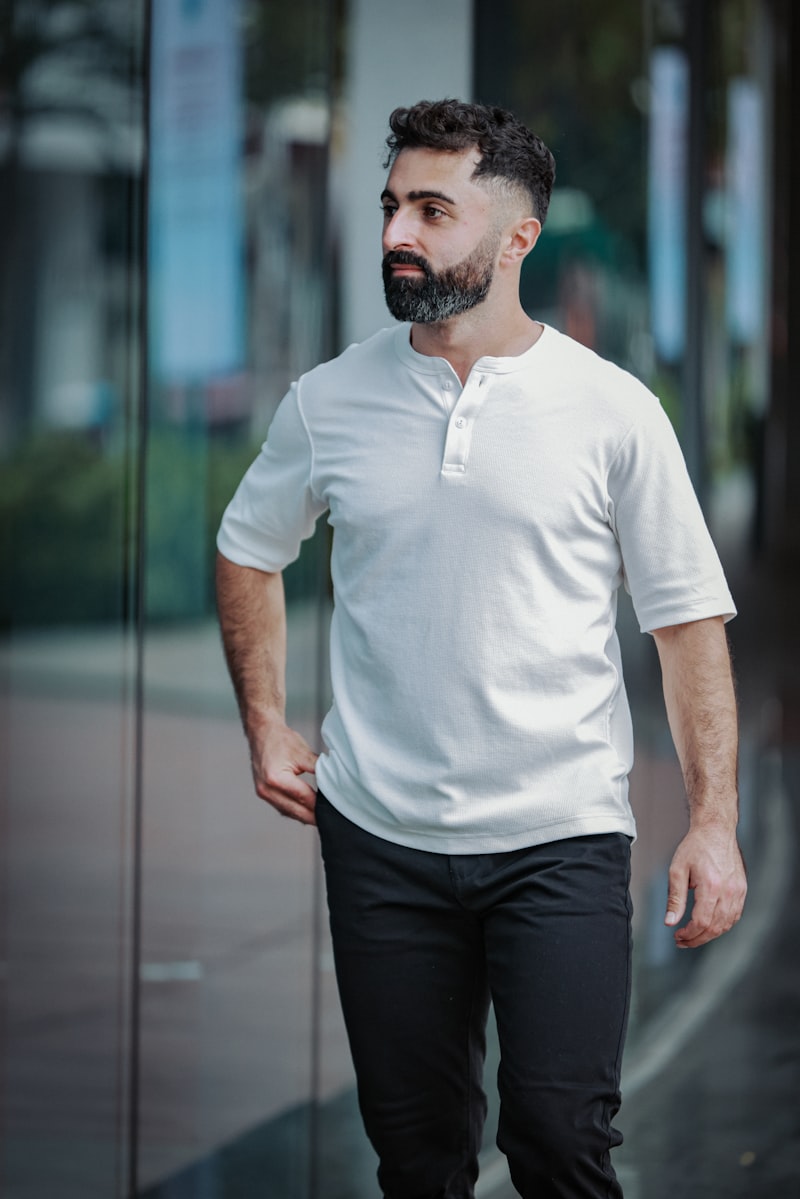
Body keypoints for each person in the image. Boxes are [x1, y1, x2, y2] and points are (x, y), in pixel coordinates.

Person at [215, 99, 747, 1199]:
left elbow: (685, 618)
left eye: (430, 209)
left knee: (558, 1140)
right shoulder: (328, 402)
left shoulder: (612, 412)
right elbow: (246, 548)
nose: (395, 235)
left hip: (559, 835)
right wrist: (263, 720)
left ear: (515, 238)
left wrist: (711, 822)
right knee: (417, 1160)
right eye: (391, 206)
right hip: (379, 839)